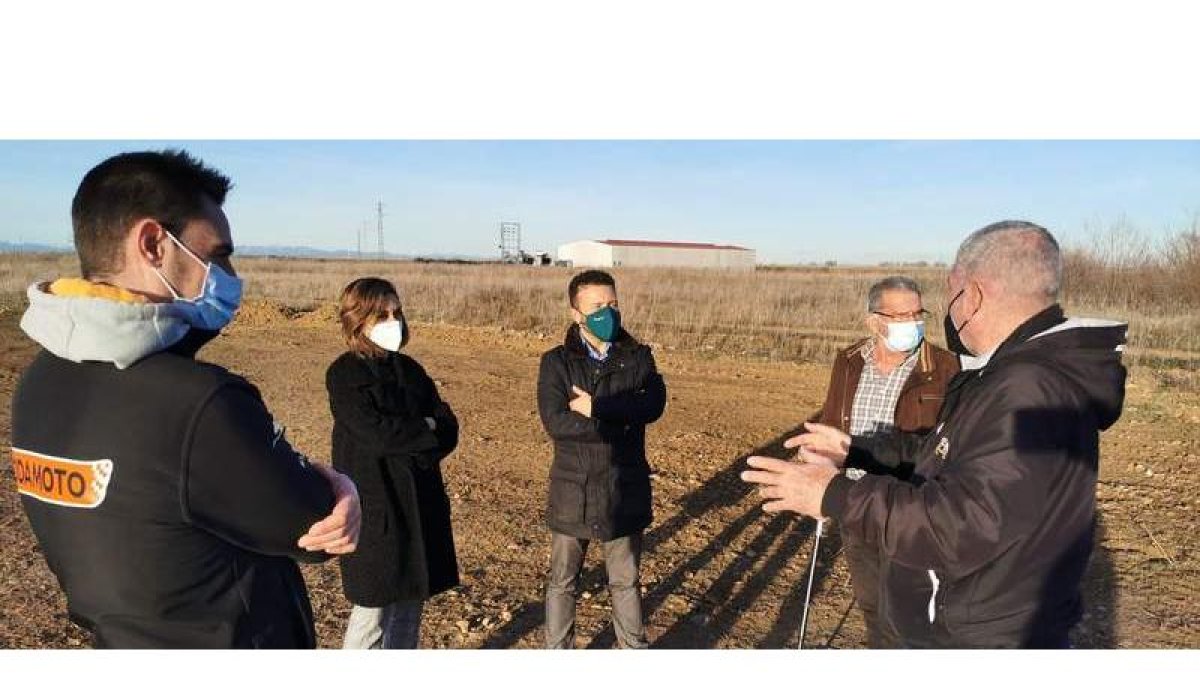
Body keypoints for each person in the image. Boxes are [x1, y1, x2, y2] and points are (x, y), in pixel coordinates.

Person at [11, 149, 361, 648]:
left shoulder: (39, 382)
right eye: (218, 255)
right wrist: (342, 485)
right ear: (154, 243)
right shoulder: (198, 403)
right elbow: (312, 522)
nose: (231, 275)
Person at [743, 221, 1127, 648]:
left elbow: (962, 524)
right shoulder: (1012, 375)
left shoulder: (1026, 387)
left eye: (951, 293)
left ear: (975, 295)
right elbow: (942, 456)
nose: (946, 310)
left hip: (981, 635)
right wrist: (858, 451)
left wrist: (834, 494)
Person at [810, 276, 958, 648]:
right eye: (901, 315)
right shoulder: (848, 361)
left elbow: (942, 446)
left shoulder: (944, 368)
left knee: (909, 616)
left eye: (917, 313)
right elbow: (833, 420)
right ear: (874, 321)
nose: (914, 323)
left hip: (908, 510)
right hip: (853, 502)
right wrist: (820, 468)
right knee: (872, 608)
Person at [325, 278, 460, 649]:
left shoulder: (411, 370)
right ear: (357, 319)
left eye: (396, 312)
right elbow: (377, 435)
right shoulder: (344, 374)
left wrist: (418, 431)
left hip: (420, 503)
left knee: (409, 609)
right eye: (381, 314)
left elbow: (448, 427)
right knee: (372, 613)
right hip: (376, 507)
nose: (392, 320)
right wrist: (424, 428)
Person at [537, 270, 667, 649]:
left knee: (625, 579)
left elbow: (653, 404)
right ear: (576, 313)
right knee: (563, 581)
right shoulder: (556, 363)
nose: (607, 313)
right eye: (597, 307)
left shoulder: (638, 356)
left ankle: (632, 649)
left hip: (623, 487)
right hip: (572, 489)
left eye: (612, 304)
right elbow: (556, 421)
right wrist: (620, 422)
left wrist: (595, 408)